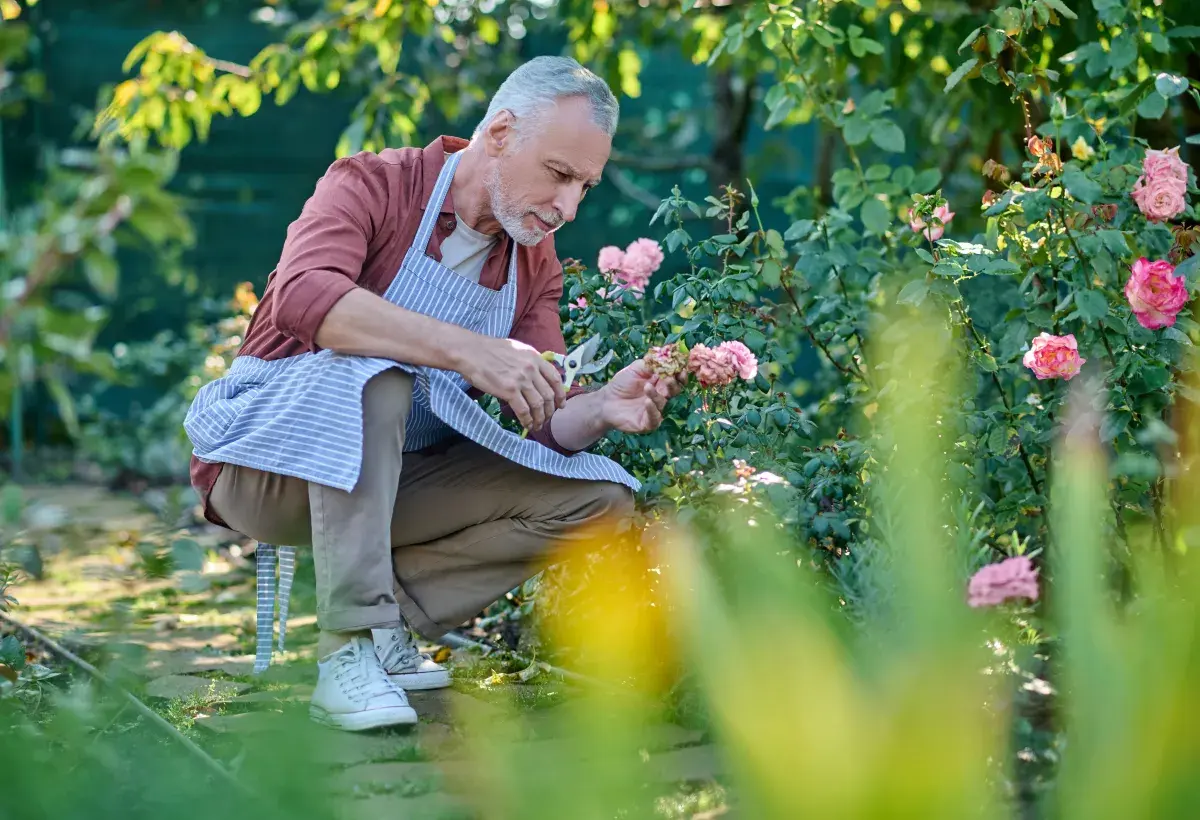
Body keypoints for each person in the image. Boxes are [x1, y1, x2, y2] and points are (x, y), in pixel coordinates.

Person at [182, 56, 683, 732]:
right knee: (377, 376)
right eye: (560, 175)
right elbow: (304, 298)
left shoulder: (531, 264)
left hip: (396, 487)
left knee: (597, 497)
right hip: (266, 466)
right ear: (501, 131)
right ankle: (344, 652)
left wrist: (599, 407)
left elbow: (541, 416)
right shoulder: (372, 184)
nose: (567, 207)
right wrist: (469, 349)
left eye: (585, 187)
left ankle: (382, 625)